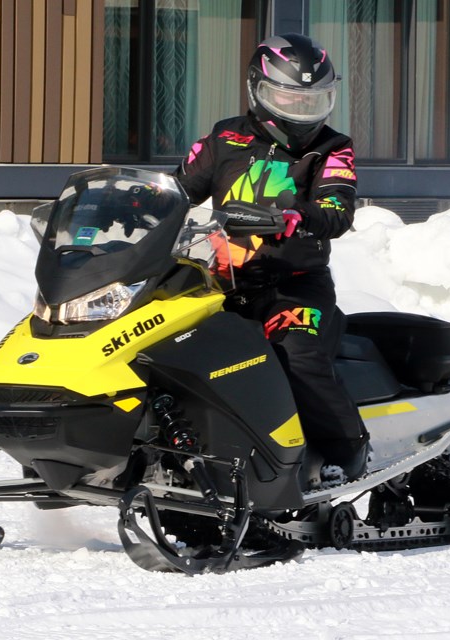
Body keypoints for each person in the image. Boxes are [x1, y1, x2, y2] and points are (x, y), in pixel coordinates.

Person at [174, 33, 369, 484]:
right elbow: (177, 190)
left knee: (295, 353)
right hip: (220, 283)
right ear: (257, 90)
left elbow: (339, 207)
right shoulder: (225, 138)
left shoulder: (332, 147)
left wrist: (301, 215)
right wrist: (133, 206)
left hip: (294, 285)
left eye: (313, 100)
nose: (302, 110)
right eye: (289, 97)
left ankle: (348, 451)